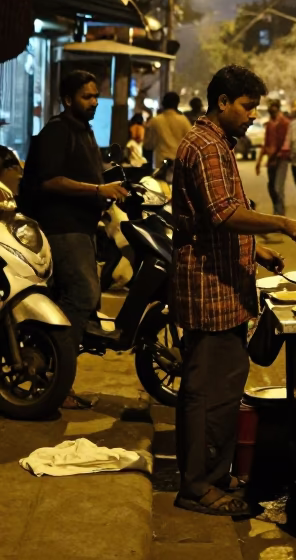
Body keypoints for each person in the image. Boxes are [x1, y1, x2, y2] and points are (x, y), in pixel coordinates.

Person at [171, 64, 296, 517]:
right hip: (210, 289)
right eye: (247, 106)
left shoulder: (215, 144)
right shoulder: (207, 147)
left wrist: (255, 253)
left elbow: (210, 218)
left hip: (226, 287)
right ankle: (199, 487)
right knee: (208, 393)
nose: (253, 115)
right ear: (222, 103)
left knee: (221, 388)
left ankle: (214, 473)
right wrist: (284, 224)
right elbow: (223, 213)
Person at [19, 70, 128, 408]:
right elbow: (50, 180)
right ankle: (56, 379)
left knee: (76, 299)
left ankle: (52, 375)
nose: (94, 102)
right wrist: (97, 189)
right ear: (68, 100)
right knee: (83, 295)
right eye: (87, 96)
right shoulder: (57, 131)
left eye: (96, 96)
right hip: (61, 228)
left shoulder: (83, 131)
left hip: (81, 227)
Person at [255, 99, 290, 214]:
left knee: (278, 188)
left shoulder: (285, 123)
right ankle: (277, 211)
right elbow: (266, 143)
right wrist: (259, 162)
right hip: (271, 160)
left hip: (281, 159)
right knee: (271, 187)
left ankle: (280, 214)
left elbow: (287, 142)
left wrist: (281, 152)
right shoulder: (269, 124)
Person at [144, 91, 191, 168]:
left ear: (163, 104)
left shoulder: (155, 121)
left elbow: (148, 145)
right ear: (177, 104)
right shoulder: (184, 120)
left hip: (161, 164)